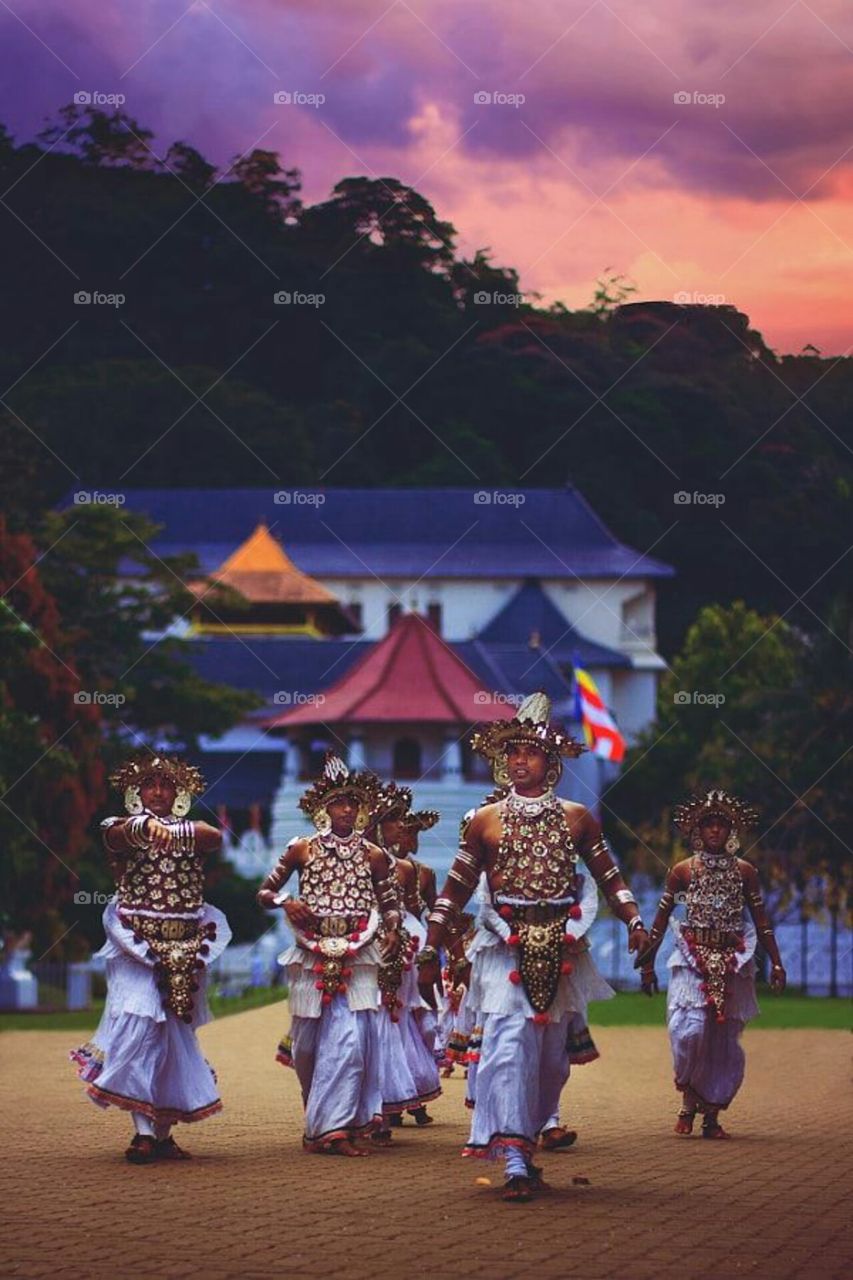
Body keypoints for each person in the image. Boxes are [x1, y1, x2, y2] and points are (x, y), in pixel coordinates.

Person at [417, 692, 648, 1203]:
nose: (519, 760)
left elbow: (608, 875)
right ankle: (514, 1156)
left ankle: (531, 1135)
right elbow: (455, 889)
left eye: (530, 752)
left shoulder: (577, 817)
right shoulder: (485, 820)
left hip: (563, 950)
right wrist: (430, 949)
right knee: (505, 1051)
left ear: (551, 763)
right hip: (502, 952)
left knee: (550, 1063)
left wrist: (634, 919)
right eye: (513, 752)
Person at [70, 755, 230, 1164]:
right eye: (149, 785)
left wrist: (175, 833)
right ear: (135, 792)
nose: (158, 791)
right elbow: (118, 836)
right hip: (133, 942)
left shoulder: (195, 832)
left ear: (180, 794)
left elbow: (214, 837)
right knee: (138, 1027)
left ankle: (161, 1133)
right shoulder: (118, 827)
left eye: (166, 785)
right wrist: (147, 826)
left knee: (173, 1040)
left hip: (188, 943)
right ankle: (142, 1132)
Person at [257, 753, 402, 1156]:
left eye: (353, 803)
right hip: (311, 954)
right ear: (323, 808)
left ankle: (336, 1129)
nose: (347, 809)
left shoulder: (373, 854)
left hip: (360, 955)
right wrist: (288, 901)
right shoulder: (301, 849)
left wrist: (392, 928)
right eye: (339, 802)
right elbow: (265, 892)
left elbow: (389, 902)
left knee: (352, 1041)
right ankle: (319, 1120)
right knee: (307, 1047)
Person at [637, 788, 786, 1138]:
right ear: (696, 832)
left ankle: (710, 1117)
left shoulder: (746, 871)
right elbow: (660, 921)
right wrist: (646, 965)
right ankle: (688, 1099)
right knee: (690, 1031)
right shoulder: (682, 871)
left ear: (732, 832)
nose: (715, 831)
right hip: (692, 958)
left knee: (722, 1040)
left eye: (721, 825)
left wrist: (776, 963)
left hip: (734, 961)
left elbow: (762, 921)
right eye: (708, 825)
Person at [369, 783, 442, 1134]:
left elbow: (420, 913)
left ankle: (397, 1098)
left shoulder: (412, 871)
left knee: (397, 1018)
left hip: (400, 948)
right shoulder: (359, 857)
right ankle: (379, 1103)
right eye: (393, 821)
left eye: (404, 823)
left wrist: (431, 951)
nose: (401, 830)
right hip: (361, 944)